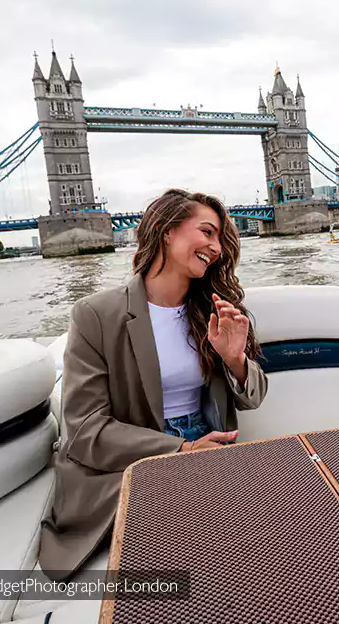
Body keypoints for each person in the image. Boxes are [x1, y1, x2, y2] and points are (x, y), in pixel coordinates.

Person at [39, 189, 268, 580]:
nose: (215, 248)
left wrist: (234, 359)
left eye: (220, 239)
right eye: (207, 232)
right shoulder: (96, 315)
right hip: (135, 459)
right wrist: (181, 447)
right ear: (166, 230)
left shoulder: (215, 309)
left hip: (209, 446)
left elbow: (255, 397)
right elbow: (85, 431)